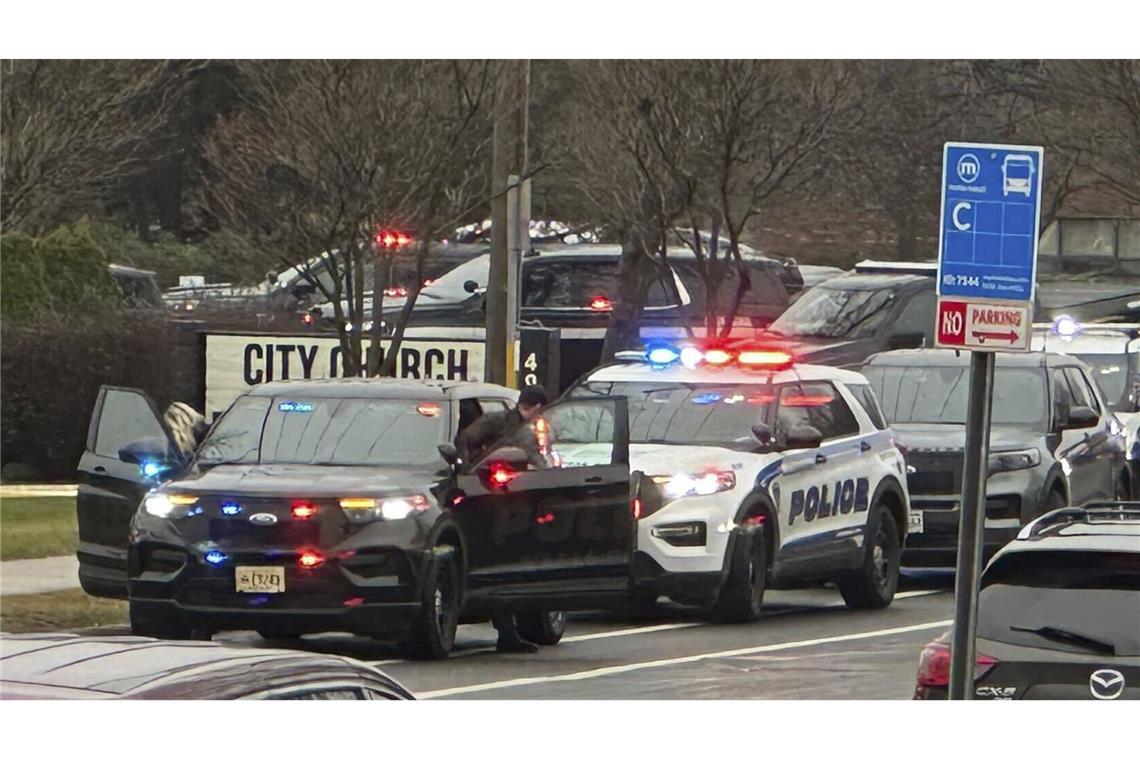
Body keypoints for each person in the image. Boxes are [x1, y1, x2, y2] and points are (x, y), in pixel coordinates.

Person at [455, 386, 550, 653]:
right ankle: (506, 632)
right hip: (494, 499)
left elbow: (536, 458)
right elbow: (465, 439)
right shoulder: (498, 421)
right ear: (534, 406)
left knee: (516, 564)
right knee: (501, 561)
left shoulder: (534, 429)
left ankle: (511, 632)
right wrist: (471, 469)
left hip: (520, 499)